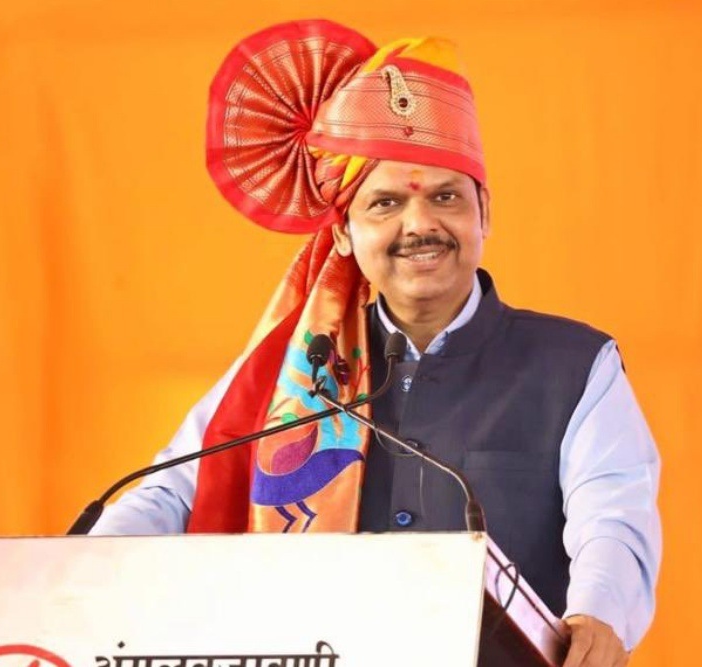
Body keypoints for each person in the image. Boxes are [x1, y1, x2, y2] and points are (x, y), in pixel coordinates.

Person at [90, 19, 661, 667]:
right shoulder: (292, 375)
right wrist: (77, 574)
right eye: (385, 204)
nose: (420, 224)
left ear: (485, 213)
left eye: (446, 196)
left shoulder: (576, 367)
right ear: (342, 232)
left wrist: (598, 613)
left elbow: (613, 517)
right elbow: (169, 493)